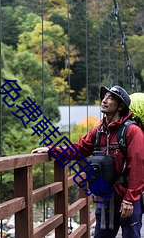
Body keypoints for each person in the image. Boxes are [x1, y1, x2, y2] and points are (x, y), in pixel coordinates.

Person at [32, 85, 144, 238]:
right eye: (104, 97)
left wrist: (130, 200)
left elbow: (138, 166)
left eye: (110, 98)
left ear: (121, 106)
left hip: (127, 198)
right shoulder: (99, 131)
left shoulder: (132, 131)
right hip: (106, 198)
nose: (104, 100)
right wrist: (52, 150)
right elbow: (79, 149)